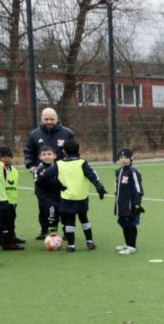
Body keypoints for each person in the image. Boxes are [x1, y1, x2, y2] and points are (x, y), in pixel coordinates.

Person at [25, 108, 77, 239]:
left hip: (63, 177)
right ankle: (44, 230)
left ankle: (67, 230)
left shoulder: (67, 133)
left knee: (65, 205)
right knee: (43, 206)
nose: (49, 122)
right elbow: (28, 151)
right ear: (41, 119)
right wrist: (30, 165)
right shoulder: (34, 134)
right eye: (46, 119)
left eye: (51, 119)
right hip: (42, 178)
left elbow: (74, 151)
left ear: (57, 118)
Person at [55, 140, 107, 252]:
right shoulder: (83, 163)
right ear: (79, 151)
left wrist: (59, 185)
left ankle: (71, 245)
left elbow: (46, 176)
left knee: (69, 221)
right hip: (81, 197)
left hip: (67, 198)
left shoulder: (58, 164)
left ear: (64, 151)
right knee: (84, 219)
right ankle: (89, 241)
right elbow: (92, 176)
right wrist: (99, 188)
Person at [0, 146, 24, 250]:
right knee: (4, 222)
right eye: (4, 156)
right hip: (2, 200)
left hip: (12, 200)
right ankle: (6, 242)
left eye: (9, 156)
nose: (7, 158)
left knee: (11, 220)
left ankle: (11, 237)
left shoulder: (13, 169)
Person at [113, 147, 144, 255]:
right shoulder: (118, 171)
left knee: (131, 224)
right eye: (121, 157)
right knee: (124, 224)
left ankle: (132, 246)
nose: (123, 159)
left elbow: (138, 189)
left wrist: (137, 203)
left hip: (131, 205)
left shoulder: (133, 172)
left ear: (131, 158)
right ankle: (127, 244)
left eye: (126, 157)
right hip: (121, 204)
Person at [32, 146, 62, 237]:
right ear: (40, 157)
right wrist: (45, 177)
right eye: (44, 154)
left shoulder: (59, 167)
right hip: (44, 196)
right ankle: (44, 231)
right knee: (44, 213)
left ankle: (53, 232)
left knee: (55, 213)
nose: (47, 156)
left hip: (57, 195)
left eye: (49, 154)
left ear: (55, 156)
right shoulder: (38, 169)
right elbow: (38, 182)